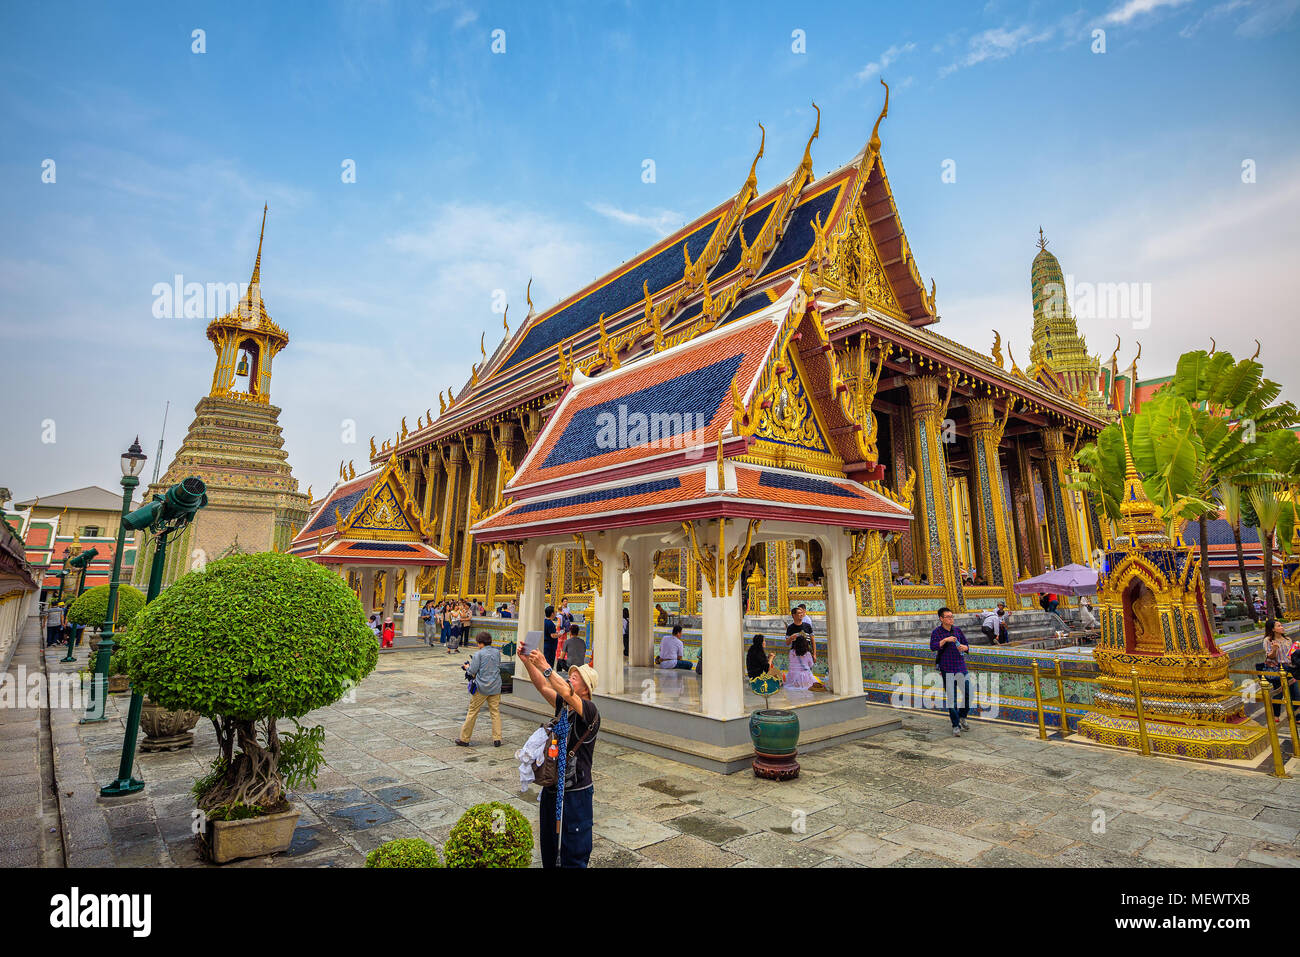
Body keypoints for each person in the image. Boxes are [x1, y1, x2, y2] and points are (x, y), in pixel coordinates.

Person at [519, 648, 600, 868]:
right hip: (554, 786)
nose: (570, 678)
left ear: (586, 688)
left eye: (576, 677)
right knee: (549, 845)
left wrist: (545, 665)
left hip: (576, 792)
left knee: (572, 851)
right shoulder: (564, 708)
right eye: (571, 675)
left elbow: (565, 692)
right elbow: (543, 686)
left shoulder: (589, 711)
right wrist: (528, 663)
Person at [930, 606, 972, 736]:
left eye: (952, 616)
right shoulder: (937, 632)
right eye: (948, 617)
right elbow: (933, 647)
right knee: (952, 699)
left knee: (968, 694)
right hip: (947, 668)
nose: (951, 619)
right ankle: (955, 725)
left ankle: (962, 716)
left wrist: (964, 647)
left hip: (960, 667)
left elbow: (967, 646)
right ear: (941, 619)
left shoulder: (957, 631)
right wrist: (945, 640)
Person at [456, 632, 503, 747]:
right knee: (495, 712)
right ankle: (497, 739)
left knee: (472, 712)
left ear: (480, 643)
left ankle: (464, 739)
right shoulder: (497, 652)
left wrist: (467, 667)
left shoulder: (479, 654)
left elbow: (472, 671)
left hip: (482, 687)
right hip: (496, 686)